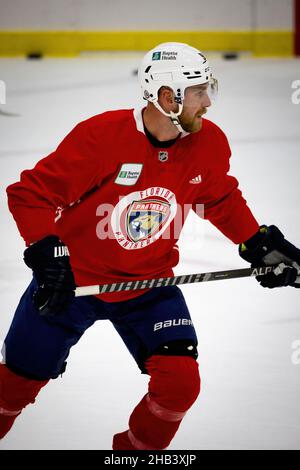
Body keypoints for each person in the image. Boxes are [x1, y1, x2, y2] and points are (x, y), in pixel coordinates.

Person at [1, 42, 299, 450]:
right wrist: (48, 254)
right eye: (198, 91)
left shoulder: (207, 143)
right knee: (10, 391)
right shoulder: (101, 136)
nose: (207, 102)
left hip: (149, 286)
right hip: (70, 286)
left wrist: (256, 243)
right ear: (166, 97)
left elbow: (218, 198)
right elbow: (29, 194)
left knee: (180, 386)